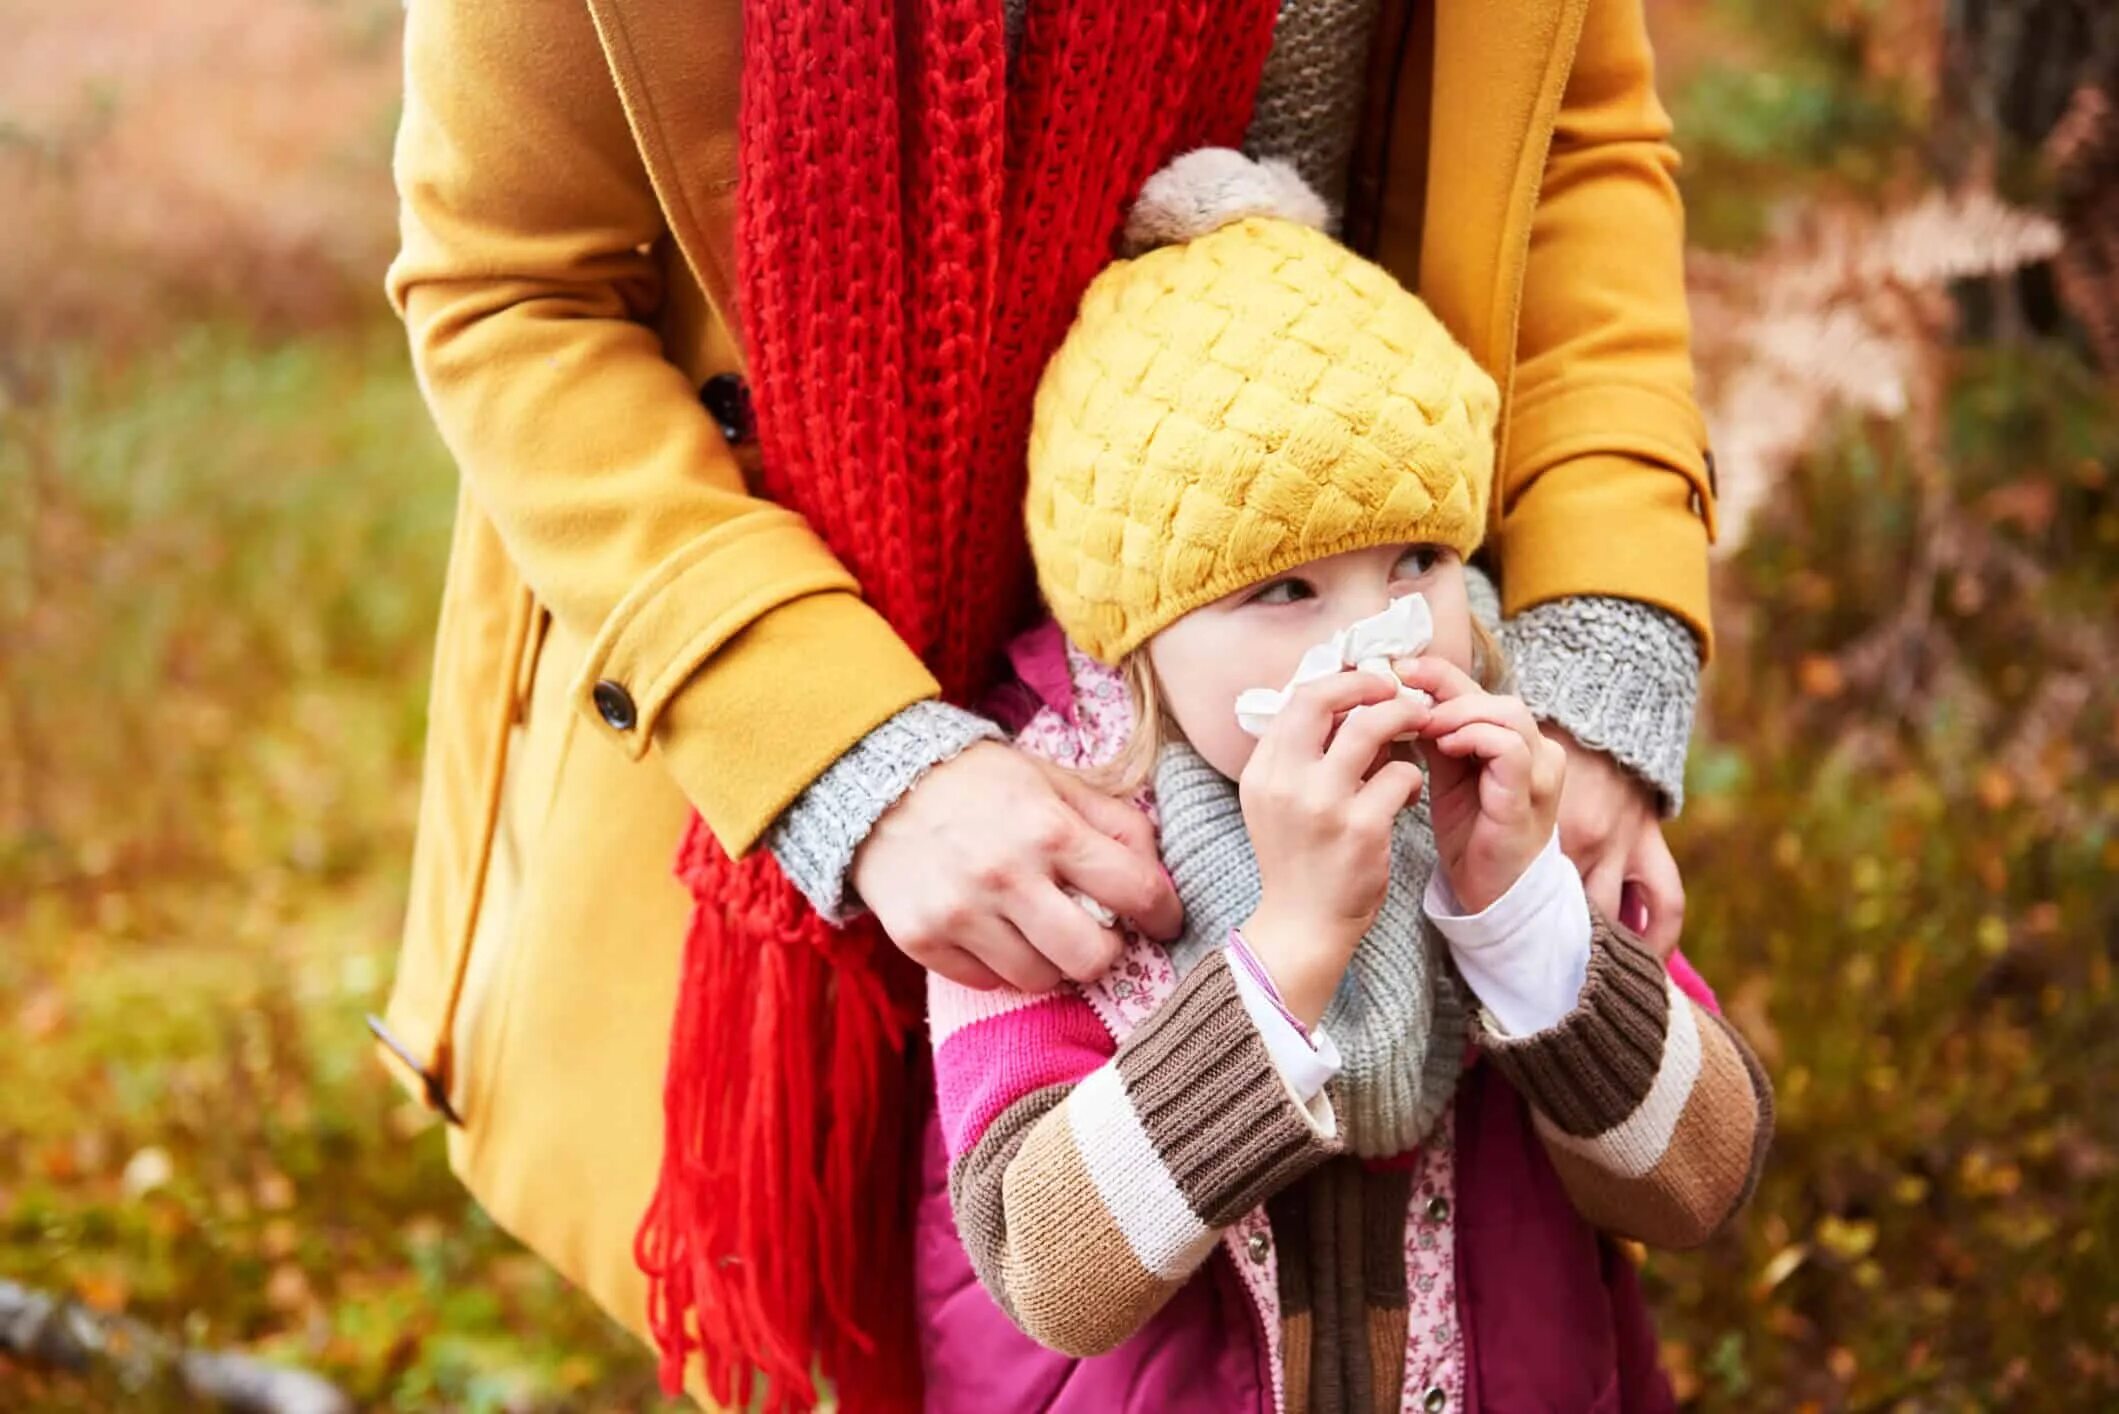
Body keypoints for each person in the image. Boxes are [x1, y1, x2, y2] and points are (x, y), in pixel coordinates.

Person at [375, 0, 1721, 1405]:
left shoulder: (1465, 776)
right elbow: (510, 286)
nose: (1370, 642)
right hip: (860, 643)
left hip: (1365, 455)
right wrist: (843, 753)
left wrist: (1592, 648)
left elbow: (1564, 136)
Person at [918, 149, 1770, 1412]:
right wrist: (1294, 944)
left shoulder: (1506, 770)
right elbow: (1053, 1273)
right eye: (1285, 589)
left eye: (1418, 559)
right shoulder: (1046, 836)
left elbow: (1699, 1180)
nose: (1382, 639)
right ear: (1135, 629)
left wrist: (1519, 913)